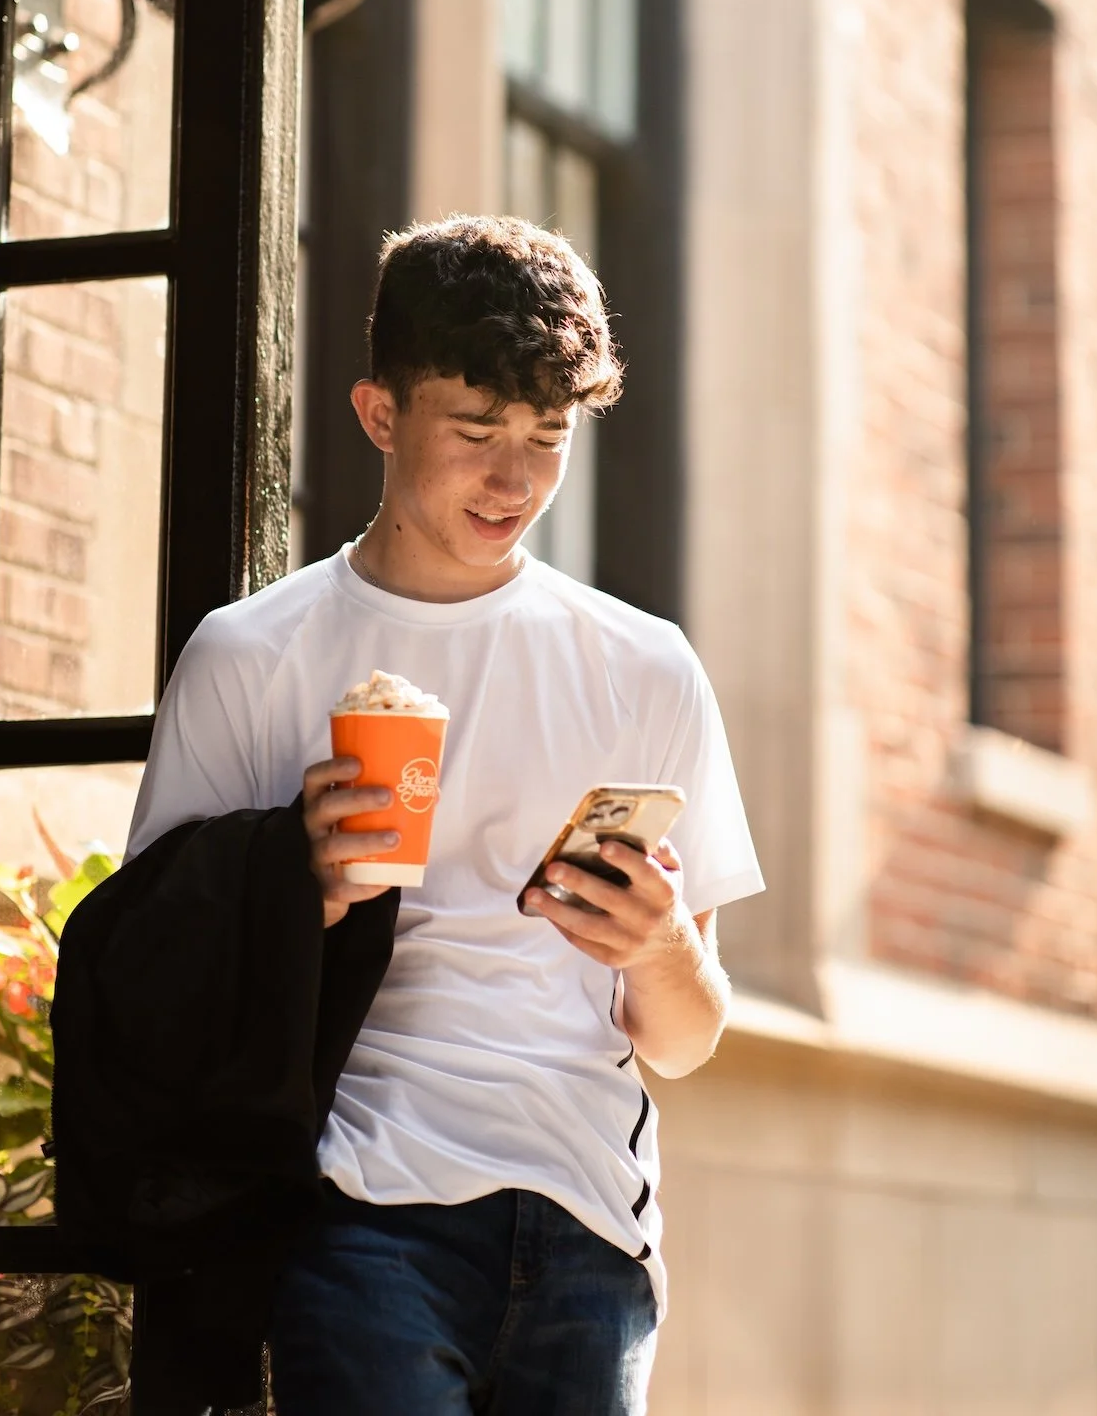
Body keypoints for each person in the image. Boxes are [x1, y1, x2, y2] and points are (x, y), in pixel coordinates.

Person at [127, 214, 764, 1415]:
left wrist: (659, 941)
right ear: (379, 414)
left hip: (590, 1226)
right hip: (357, 1207)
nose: (514, 481)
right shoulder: (253, 655)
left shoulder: (644, 665)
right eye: (474, 432)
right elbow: (151, 973)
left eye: (547, 437)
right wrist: (292, 877)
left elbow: (682, 1039)